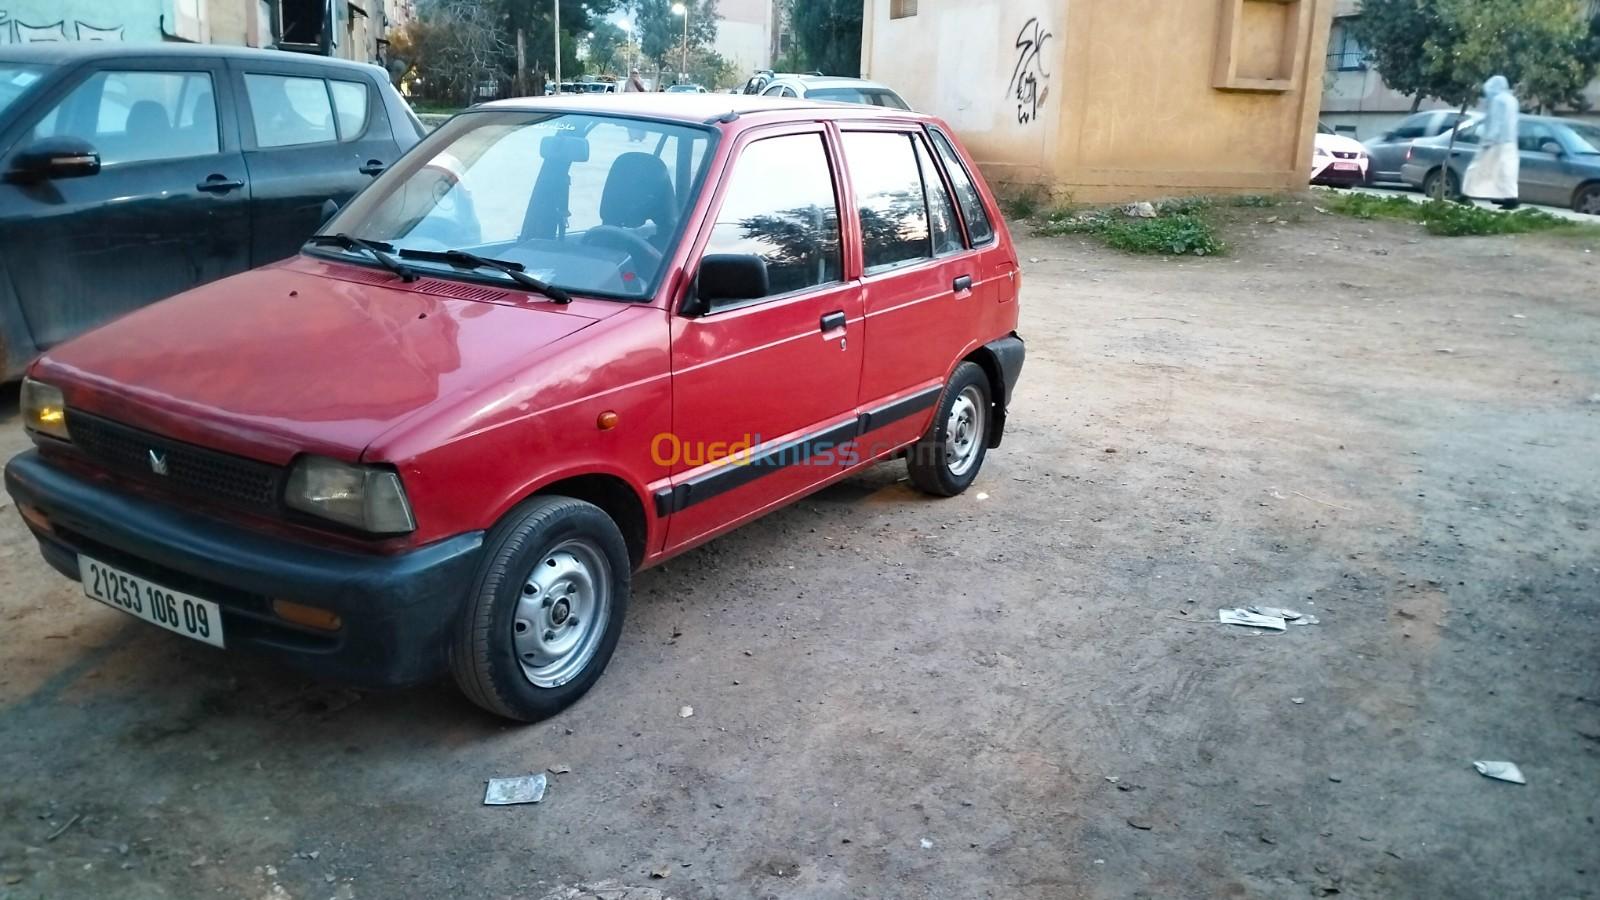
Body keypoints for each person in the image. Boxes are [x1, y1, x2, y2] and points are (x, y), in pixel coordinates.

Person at [1461, 75, 1520, 211]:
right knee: (1507, 171)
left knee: (1477, 168)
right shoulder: (1512, 100)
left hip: (1495, 142)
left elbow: (1496, 122)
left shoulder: (1498, 100)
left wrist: (1488, 140)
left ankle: (1465, 195)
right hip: (1510, 142)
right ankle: (1511, 198)